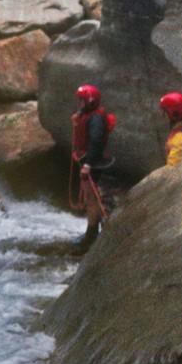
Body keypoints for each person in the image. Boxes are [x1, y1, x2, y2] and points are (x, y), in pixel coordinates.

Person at [71, 84, 116, 248]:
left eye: (81, 101)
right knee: (90, 197)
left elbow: (96, 142)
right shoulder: (90, 114)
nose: (79, 103)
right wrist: (79, 116)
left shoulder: (96, 119)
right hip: (88, 159)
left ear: (89, 102)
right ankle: (91, 232)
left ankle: (91, 235)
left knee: (91, 199)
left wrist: (88, 164)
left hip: (92, 162)